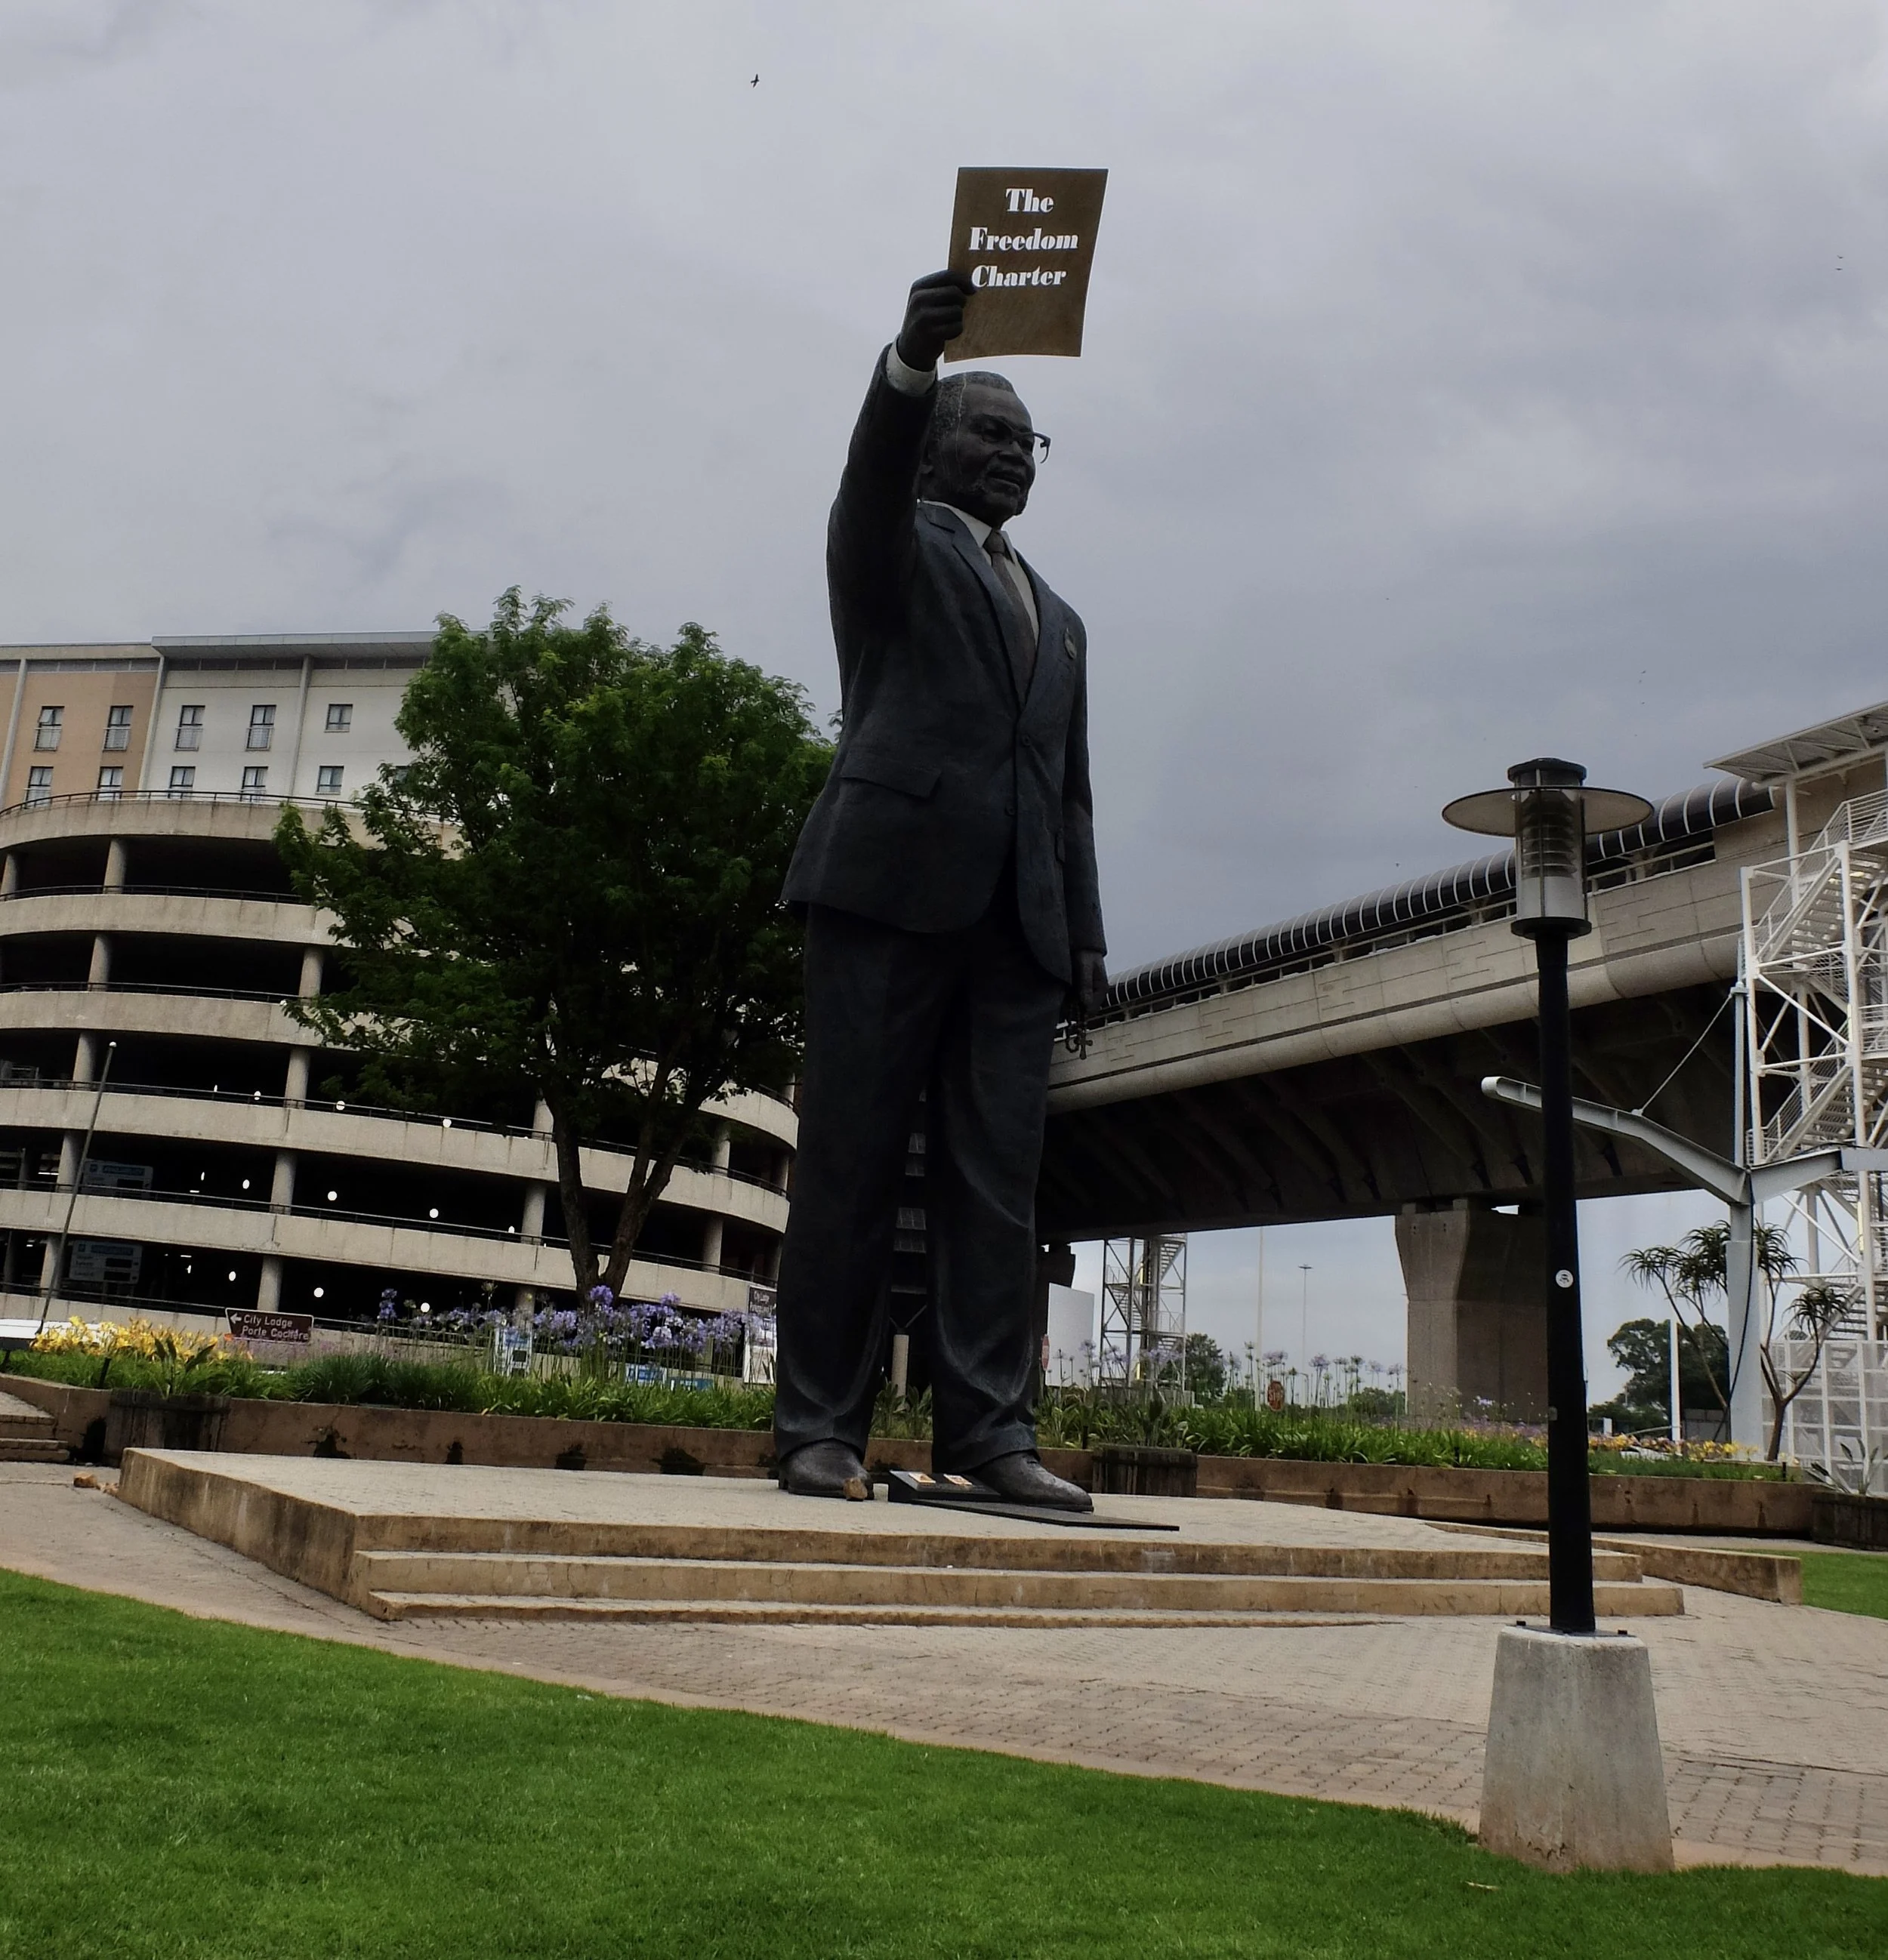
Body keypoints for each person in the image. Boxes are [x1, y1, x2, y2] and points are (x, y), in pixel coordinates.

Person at [775, 269, 1107, 1509]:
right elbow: (864, 482)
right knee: (852, 1164)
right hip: (884, 894)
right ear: (930, 453)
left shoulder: (1062, 617)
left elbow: (1070, 788)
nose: (1015, 456)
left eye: (1030, 441)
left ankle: (990, 1436)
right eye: (989, 433)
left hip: (1017, 928)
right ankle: (820, 1428)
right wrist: (908, 364)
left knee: (996, 1194)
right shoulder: (890, 547)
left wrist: (1082, 934)